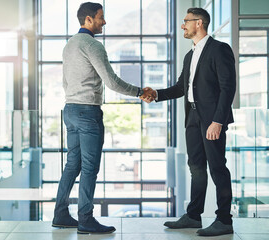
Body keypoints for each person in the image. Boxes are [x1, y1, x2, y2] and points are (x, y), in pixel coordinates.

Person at [52, 2, 151, 234]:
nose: (104, 22)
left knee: (72, 164)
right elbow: (112, 81)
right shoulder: (92, 45)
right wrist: (139, 92)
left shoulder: (69, 45)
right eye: (100, 17)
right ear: (88, 20)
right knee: (89, 168)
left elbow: (66, 82)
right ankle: (85, 219)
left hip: (70, 109)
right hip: (87, 112)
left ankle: (60, 214)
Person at [142, 8, 236, 237]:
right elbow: (180, 88)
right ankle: (194, 216)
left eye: (186, 21)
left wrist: (218, 122)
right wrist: (156, 94)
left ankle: (224, 220)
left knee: (217, 168)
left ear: (199, 23)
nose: (183, 25)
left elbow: (228, 88)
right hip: (192, 117)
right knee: (196, 168)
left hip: (212, 119)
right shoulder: (190, 55)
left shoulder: (219, 49)